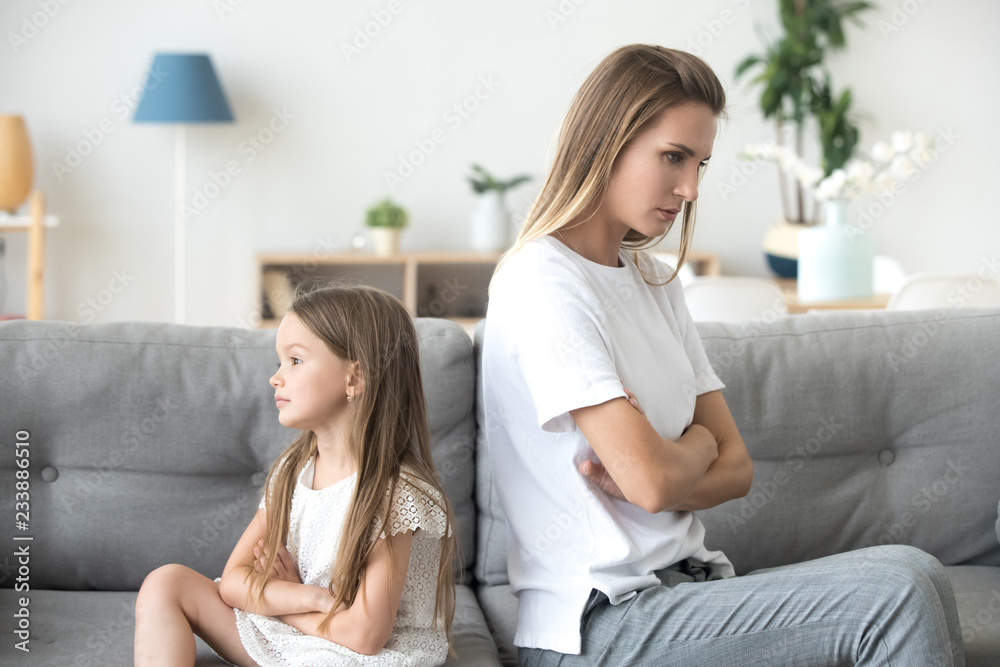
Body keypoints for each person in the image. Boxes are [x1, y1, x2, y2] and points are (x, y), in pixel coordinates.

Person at [481, 44, 966, 666]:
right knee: (901, 587)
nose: (689, 188)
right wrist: (694, 449)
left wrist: (689, 453)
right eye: (673, 157)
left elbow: (735, 469)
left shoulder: (653, 279)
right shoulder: (541, 281)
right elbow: (653, 484)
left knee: (917, 579)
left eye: (701, 163)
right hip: (601, 622)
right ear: (607, 141)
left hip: (689, 590)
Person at [135, 284, 457, 667]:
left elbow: (365, 636)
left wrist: (280, 602)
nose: (276, 377)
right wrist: (309, 598)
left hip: (362, 657)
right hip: (304, 629)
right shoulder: (292, 472)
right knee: (166, 582)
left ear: (355, 377)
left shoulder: (395, 494)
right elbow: (234, 582)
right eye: (279, 362)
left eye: (296, 360)